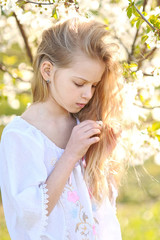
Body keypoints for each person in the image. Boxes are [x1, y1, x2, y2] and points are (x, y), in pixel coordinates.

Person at [0, 16, 124, 240]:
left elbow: (95, 207)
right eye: (79, 83)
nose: (87, 94)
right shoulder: (20, 136)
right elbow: (28, 215)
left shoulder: (81, 125)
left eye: (93, 85)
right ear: (47, 70)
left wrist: (102, 158)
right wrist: (70, 155)